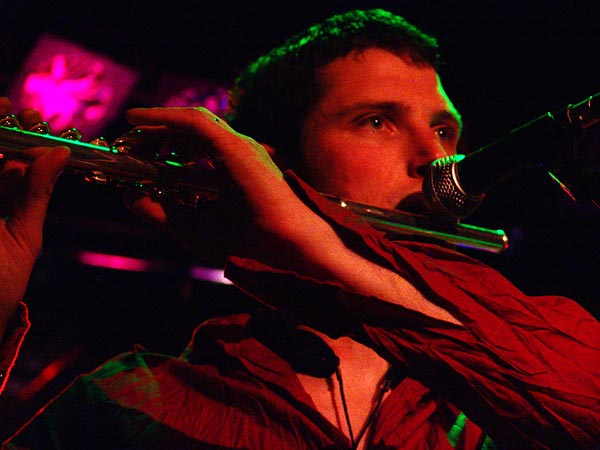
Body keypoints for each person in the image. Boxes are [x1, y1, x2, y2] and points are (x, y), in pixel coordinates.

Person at [0, 8, 598, 450]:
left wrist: (326, 254)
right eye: (376, 121)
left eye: (444, 130)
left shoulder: (502, 404)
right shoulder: (129, 403)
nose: (436, 159)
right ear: (271, 169)